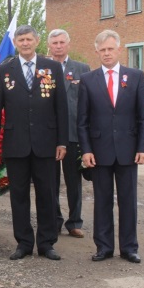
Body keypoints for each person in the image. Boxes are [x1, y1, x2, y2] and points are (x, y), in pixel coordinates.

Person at [0, 25, 68, 261]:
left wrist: (62, 141)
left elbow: (61, 107)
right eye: (21, 40)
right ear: (16, 42)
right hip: (16, 143)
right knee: (19, 195)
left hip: (47, 143)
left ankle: (46, 243)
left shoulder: (52, 68)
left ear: (37, 41)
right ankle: (23, 243)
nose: (25, 43)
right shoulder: (4, 70)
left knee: (47, 194)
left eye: (29, 39)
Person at [78, 29, 144, 264]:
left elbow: (143, 117)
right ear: (97, 52)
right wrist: (86, 150)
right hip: (99, 151)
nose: (107, 53)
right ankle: (104, 247)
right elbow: (83, 121)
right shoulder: (88, 80)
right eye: (102, 50)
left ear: (119, 49)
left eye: (111, 49)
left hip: (129, 150)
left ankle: (129, 248)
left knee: (128, 200)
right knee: (102, 200)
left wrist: (143, 147)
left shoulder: (136, 76)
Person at [47, 28, 91, 238]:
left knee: (74, 180)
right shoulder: (43, 68)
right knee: (50, 180)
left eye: (62, 42)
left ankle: (74, 222)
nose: (58, 46)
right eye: (54, 43)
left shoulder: (82, 69)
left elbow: (88, 103)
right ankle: (54, 220)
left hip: (73, 132)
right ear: (49, 46)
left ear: (68, 44)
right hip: (50, 133)